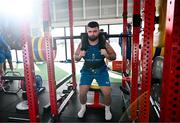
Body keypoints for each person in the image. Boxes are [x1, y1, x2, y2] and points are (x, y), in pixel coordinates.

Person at [74, 21, 116, 120]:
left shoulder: (104, 43)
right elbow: (75, 57)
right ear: (87, 32)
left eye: (95, 31)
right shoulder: (82, 44)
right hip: (87, 70)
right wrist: (79, 56)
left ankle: (107, 109)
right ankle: (83, 107)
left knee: (107, 93)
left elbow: (114, 56)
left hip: (101, 69)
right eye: (90, 31)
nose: (92, 33)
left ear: (98, 31)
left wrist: (106, 55)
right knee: (82, 93)